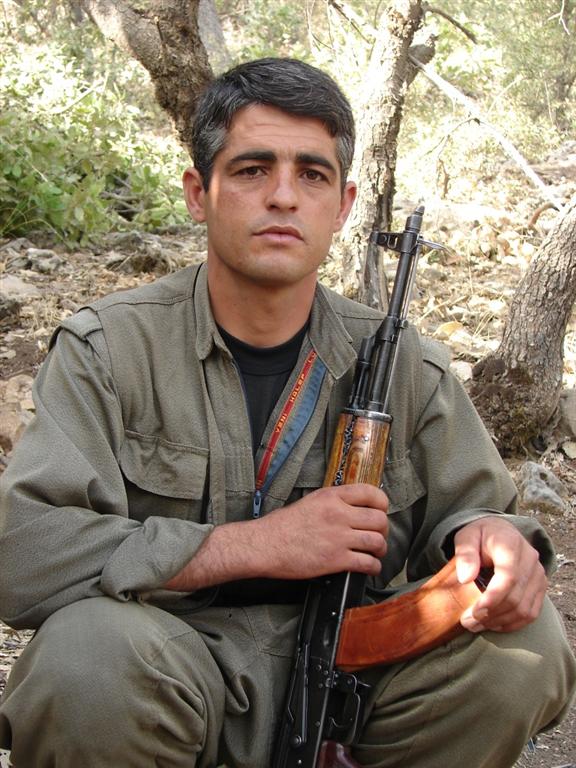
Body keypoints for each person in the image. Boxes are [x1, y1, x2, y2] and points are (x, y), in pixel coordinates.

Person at [0, 57, 574, 768]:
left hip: (358, 681)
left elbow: (478, 513)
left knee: (524, 648)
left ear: (344, 204)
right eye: (251, 170)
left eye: (312, 174)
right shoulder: (109, 349)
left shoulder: (407, 365)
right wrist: (253, 545)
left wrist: (492, 540)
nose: (282, 197)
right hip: (165, 666)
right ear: (198, 194)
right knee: (84, 656)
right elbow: (25, 553)